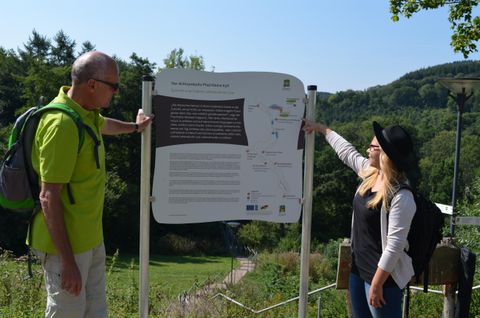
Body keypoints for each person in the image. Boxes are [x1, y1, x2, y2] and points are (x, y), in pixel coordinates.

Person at [29, 51, 153, 318]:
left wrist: (135, 127)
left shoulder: (85, 113)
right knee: (67, 313)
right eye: (114, 86)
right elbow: (48, 197)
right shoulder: (61, 124)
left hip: (90, 240)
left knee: (96, 311)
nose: (116, 93)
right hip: (65, 247)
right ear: (92, 84)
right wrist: (67, 261)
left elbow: (103, 125)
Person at [303, 120, 417, 318]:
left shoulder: (402, 196)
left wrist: (376, 284)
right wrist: (322, 129)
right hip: (358, 271)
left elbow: (395, 246)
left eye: (372, 146)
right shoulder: (372, 175)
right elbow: (347, 153)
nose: (367, 149)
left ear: (385, 155)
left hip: (383, 280)